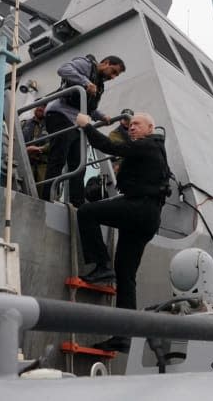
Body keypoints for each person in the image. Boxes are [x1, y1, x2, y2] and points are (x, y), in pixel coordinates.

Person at [74, 111, 168, 352]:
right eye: (131, 124)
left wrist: (86, 126)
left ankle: (101, 265)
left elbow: (107, 145)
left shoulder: (147, 144)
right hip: (147, 217)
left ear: (150, 128)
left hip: (140, 208)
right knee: (126, 275)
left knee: (86, 212)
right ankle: (124, 335)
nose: (132, 128)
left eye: (137, 124)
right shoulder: (153, 149)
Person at [40, 54, 125, 206]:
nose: (113, 77)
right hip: (60, 114)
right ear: (105, 63)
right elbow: (63, 69)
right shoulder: (86, 64)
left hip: (76, 121)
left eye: (116, 75)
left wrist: (101, 116)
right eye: (113, 72)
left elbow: (88, 107)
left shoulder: (100, 84)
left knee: (78, 164)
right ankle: (47, 197)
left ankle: (77, 203)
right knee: (58, 157)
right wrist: (86, 82)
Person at [21, 103, 49, 185]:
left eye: (44, 106)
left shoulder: (52, 124)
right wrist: (25, 150)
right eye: (39, 105)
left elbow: (56, 142)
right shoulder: (24, 124)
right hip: (26, 165)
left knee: (43, 193)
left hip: (43, 166)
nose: (40, 108)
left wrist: (41, 149)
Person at [107, 108, 133, 174]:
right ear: (120, 120)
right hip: (120, 161)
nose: (127, 122)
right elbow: (118, 149)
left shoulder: (137, 131)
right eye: (125, 119)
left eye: (129, 119)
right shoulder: (114, 134)